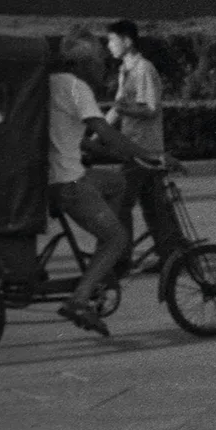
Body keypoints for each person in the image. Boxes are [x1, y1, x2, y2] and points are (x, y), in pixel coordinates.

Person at [46, 31, 162, 336]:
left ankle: (102, 265)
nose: (103, 68)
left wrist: (106, 151)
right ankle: (80, 299)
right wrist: (146, 154)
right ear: (83, 64)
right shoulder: (76, 86)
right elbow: (104, 131)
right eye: (98, 62)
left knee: (116, 183)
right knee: (117, 238)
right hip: (69, 183)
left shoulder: (52, 83)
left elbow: (78, 139)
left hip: (57, 178)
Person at [103, 19, 183, 263]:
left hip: (143, 150)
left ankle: (120, 258)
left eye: (112, 40)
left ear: (127, 41)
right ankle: (172, 257)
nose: (109, 46)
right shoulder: (125, 70)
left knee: (121, 206)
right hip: (136, 149)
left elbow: (150, 108)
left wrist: (124, 111)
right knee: (155, 209)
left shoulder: (144, 69)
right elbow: (117, 108)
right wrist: (94, 134)